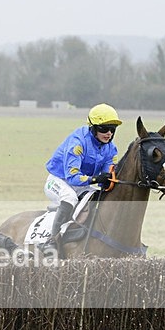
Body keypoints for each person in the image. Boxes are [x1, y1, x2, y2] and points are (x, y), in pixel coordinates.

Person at [41, 103, 123, 251]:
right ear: (93, 128)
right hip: (58, 180)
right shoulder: (77, 143)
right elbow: (72, 177)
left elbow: (107, 177)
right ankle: (52, 241)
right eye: (104, 129)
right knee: (70, 198)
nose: (109, 133)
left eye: (112, 129)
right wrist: (96, 179)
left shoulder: (111, 149)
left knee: (96, 197)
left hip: (82, 184)